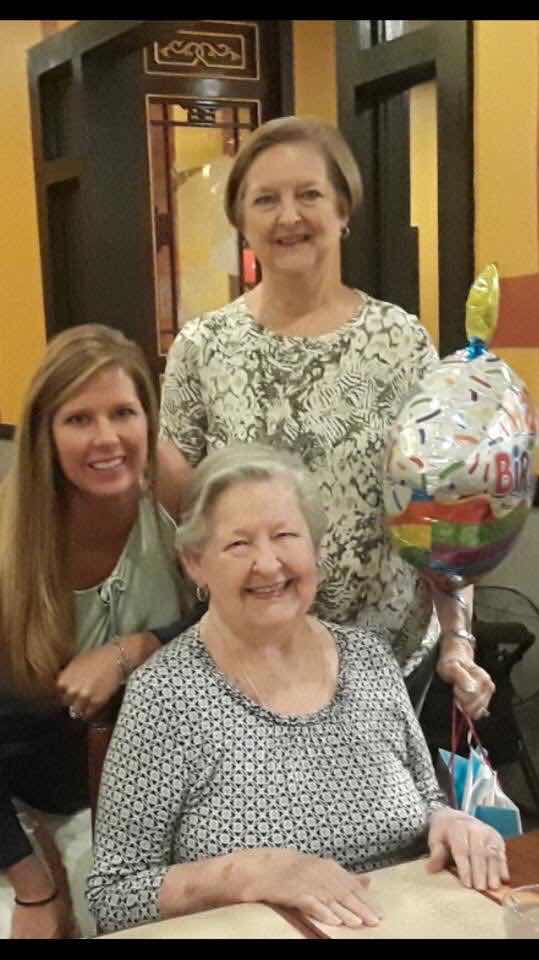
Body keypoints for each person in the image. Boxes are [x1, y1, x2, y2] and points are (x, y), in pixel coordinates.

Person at [87, 444, 508, 936]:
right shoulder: (164, 695)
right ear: (195, 563)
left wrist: (450, 823)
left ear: (316, 549)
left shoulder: (370, 660)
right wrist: (246, 874)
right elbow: (114, 896)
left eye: (285, 535)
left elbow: (425, 799)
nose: (268, 564)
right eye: (238, 544)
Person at [157, 115, 494, 720]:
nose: (289, 216)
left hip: (387, 670)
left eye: (309, 194)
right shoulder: (203, 348)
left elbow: (442, 506)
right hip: (248, 670)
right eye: (266, 199)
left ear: (343, 209)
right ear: (241, 221)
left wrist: (458, 640)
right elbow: (185, 512)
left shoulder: (401, 342)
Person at [0, 324, 193, 939]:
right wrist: (33, 887)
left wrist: (134, 649)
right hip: (25, 805)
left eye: (123, 413)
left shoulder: (172, 489)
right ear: (45, 434)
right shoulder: (8, 539)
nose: (107, 438)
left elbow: (233, 612)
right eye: (79, 419)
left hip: (151, 793)